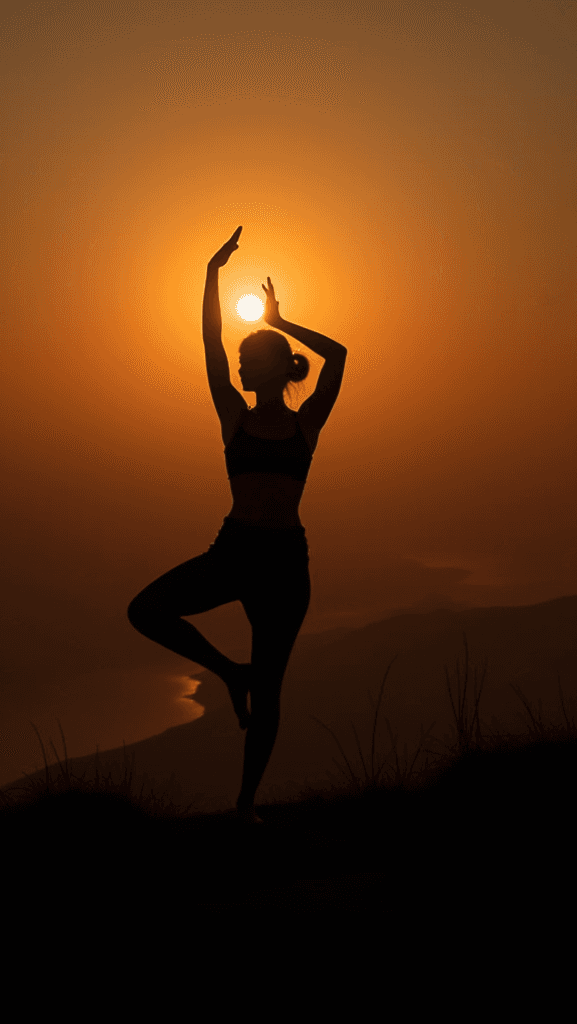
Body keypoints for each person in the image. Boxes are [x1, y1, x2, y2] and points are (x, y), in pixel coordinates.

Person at [127, 226, 347, 823]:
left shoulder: (306, 425)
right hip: (236, 549)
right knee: (145, 610)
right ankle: (229, 672)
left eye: (253, 360)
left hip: (283, 562)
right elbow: (210, 343)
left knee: (271, 691)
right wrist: (210, 272)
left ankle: (245, 808)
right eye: (244, 361)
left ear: (277, 369)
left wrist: (281, 320)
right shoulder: (234, 417)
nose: (242, 367)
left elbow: (340, 357)